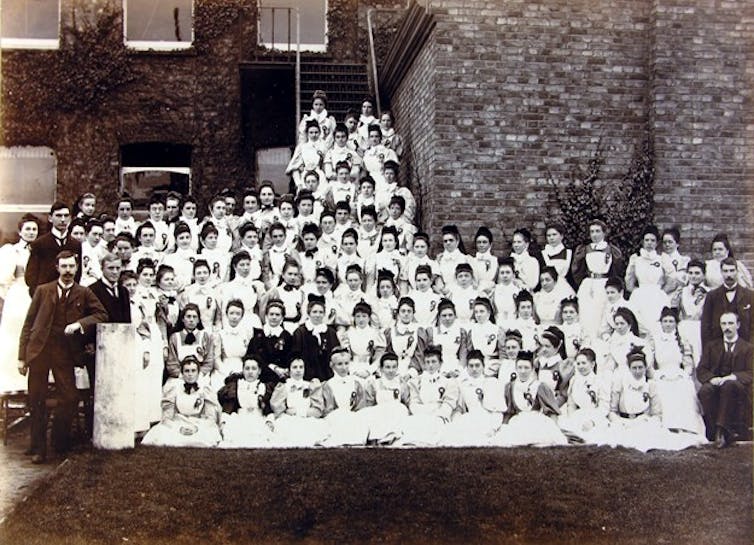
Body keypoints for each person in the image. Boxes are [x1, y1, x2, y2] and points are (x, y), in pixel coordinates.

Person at [18, 250, 107, 463]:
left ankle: (59, 441)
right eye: (64, 266)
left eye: (71, 267)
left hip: (64, 352)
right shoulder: (43, 290)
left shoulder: (83, 293)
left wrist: (80, 324)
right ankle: (39, 448)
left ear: (77, 268)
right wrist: (22, 357)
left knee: (70, 397)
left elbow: (102, 314)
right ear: (57, 268)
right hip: (40, 351)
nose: (68, 271)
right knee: (36, 399)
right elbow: (29, 323)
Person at [697, 311, 753, 447]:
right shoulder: (711, 346)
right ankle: (715, 430)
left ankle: (720, 432)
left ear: (738, 325)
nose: (727, 327)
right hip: (717, 385)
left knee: (729, 385)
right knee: (705, 391)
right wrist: (712, 379)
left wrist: (734, 377)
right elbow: (701, 369)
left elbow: (751, 372)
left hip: (739, 390)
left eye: (730, 323)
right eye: (724, 324)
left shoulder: (748, 348)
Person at [490, 350, 567, 447]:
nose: (523, 371)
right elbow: (509, 412)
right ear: (516, 368)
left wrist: (555, 429)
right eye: (520, 367)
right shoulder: (510, 387)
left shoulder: (540, 386)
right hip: (518, 420)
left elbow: (551, 411)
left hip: (536, 420)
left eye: (526, 368)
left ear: (532, 369)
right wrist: (503, 426)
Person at [140, 356, 221, 448]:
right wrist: (178, 428)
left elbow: (211, 418)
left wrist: (197, 428)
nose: (190, 374)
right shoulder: (174, 389)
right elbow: (167, 417)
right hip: (179, 422)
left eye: (193, 371)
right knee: (162, 433)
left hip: (198, 423)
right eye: (187, 371)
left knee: (208, 433)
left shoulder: (205, 390)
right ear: (182, 373)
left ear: (198, 373)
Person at [0, 214, 39, 392]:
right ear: (20, 231)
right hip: (18, 294)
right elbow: (4, 278)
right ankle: (12, 381)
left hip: (37, 294)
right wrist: (10, 295)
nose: (31, 232)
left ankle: (33, 381)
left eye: (34, 229)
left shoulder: (40, 250)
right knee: (15, 335)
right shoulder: (11, 250)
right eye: (28, 229)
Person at [571, 219, 624, 339]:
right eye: (592, 232)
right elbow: (577, 270)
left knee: (601, 314)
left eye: (598, 231)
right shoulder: (584, 249)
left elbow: (617, 270)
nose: (594, 235)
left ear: (604, 233)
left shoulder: (611, 250)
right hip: (588, 284)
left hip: (604, 284)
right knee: (586, 314)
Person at [308, 347, 371, 447]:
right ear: (332, 365)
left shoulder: (356, 384)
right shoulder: (327, 385)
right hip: (335, 416)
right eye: (340, 364)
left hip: (353, 415)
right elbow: (327, 409)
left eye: (346, 363)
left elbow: (360, 406)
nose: (344, 368)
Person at [26, 201, 83, 295]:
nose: (63, 220)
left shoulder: (75, 244)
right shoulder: (39, 244)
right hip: (45, 297)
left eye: (66, 216)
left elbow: (78, 273)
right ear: (50, 218)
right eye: (59, 216)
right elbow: (30, 277)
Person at [217, 357, 274, 448]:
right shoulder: (236, 387)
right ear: (243, 370)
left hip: (258, 418)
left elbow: (267, 408)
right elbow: (229, 407)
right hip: (241, 418)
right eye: (247, 368)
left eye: (254, 369)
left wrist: (269, 420)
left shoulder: (264, 387)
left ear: (259, 371)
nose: (250, 372)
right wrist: (224, 421)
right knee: (233, 434)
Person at [625, 225, 672, 330]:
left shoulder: (662, 259)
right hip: (640, 296)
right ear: (642, 242)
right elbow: (629, 281)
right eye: (647, 240)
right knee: (640, 325)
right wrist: (637, 292)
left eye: (652, 240)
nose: (649, 243)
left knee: (656, 326)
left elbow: (671, 280)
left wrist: (661, 292)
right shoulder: (636, 260)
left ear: (657, 243)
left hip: (657, 297)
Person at [701, 257, 754, 347]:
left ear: (737, 272)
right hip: (718, 347)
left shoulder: (750, 295)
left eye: (732, 270)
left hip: (744, 349)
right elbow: (706, 326)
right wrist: (708, 350)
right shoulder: (712, 296)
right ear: (721, 272)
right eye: (725, 271)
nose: (729, 274)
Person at [291, 294, 340, 381]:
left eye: (321, 312)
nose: (318, 315)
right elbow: (296, 355)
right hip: (307, 375)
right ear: (309, 313)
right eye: (314, 312)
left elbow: (335, 353)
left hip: (326, 374)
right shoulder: (300, 332)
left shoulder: (330, 332)